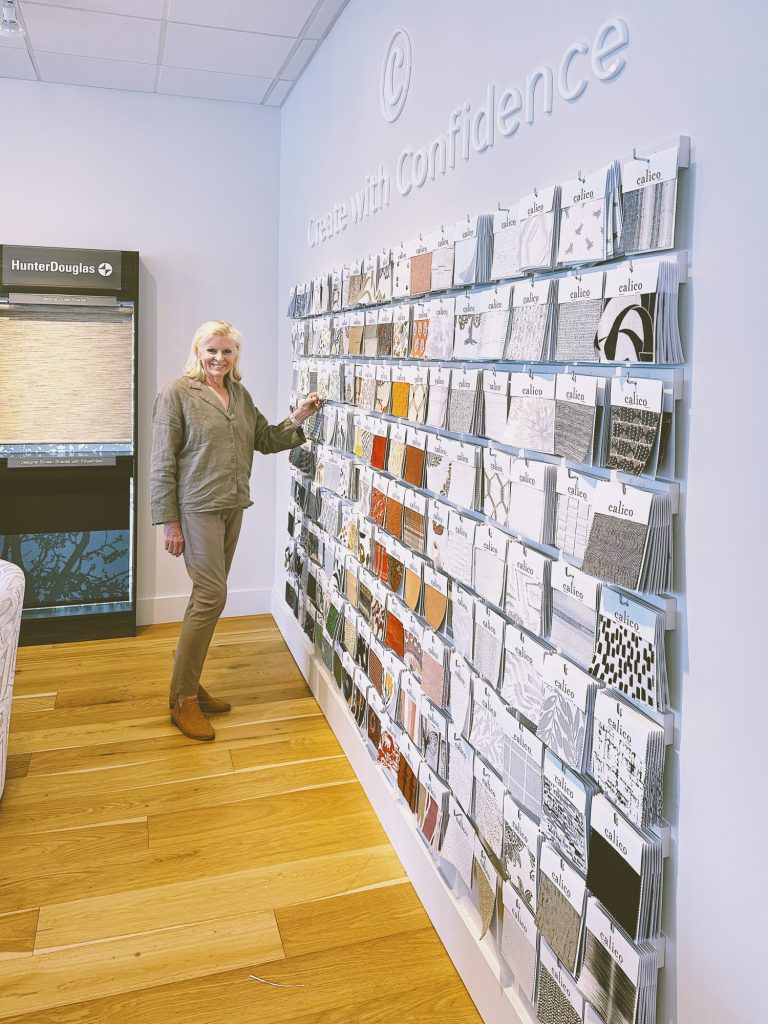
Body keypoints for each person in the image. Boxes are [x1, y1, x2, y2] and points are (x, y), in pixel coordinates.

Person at [150, 320, 320, 741]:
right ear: (197, 351)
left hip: (232, 505)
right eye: (211, 351)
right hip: (196, 507)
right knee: (212, 594)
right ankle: (182, 699)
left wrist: (298, 416)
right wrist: (169, 521)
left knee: (205, 598)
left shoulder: (239, 395)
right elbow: (162, 461)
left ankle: (187, 681)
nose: (219, 359)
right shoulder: (177, 393)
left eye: (227, 352)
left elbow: (263, 439)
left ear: (235, 356)